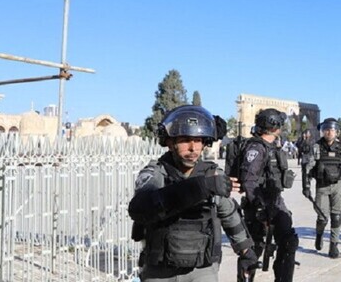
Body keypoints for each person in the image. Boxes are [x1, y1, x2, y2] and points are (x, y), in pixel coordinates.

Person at [128, 105, 258, 282]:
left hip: (202, 270)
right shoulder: (156, 173)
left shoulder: (212, 174)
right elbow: (140, 208)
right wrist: (201, 188)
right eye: (185, 140)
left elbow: (229, 214)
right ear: (170, 142)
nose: (193, 148)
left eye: (198, 140)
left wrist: (246, 251)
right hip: (160, 271)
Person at [237, 108, 299, 282]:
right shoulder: (257, 148)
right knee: (253, 250)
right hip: (258, 204)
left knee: (288, 241)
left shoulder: (272, 147)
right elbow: (249, 181)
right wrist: (260, 209)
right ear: (274, 125)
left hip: (275, 201)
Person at [302, 117, 341, 259]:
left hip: (337, 186)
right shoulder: (316, 147)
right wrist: (306, 186)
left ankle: (333, 246)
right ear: (323, 131)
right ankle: (319, 234)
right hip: (322, 187)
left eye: (332, 130)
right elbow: (308, 168)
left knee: (336, 216)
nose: (329, 132)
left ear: (337, 132)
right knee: (323, 217)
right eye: (326, 130)